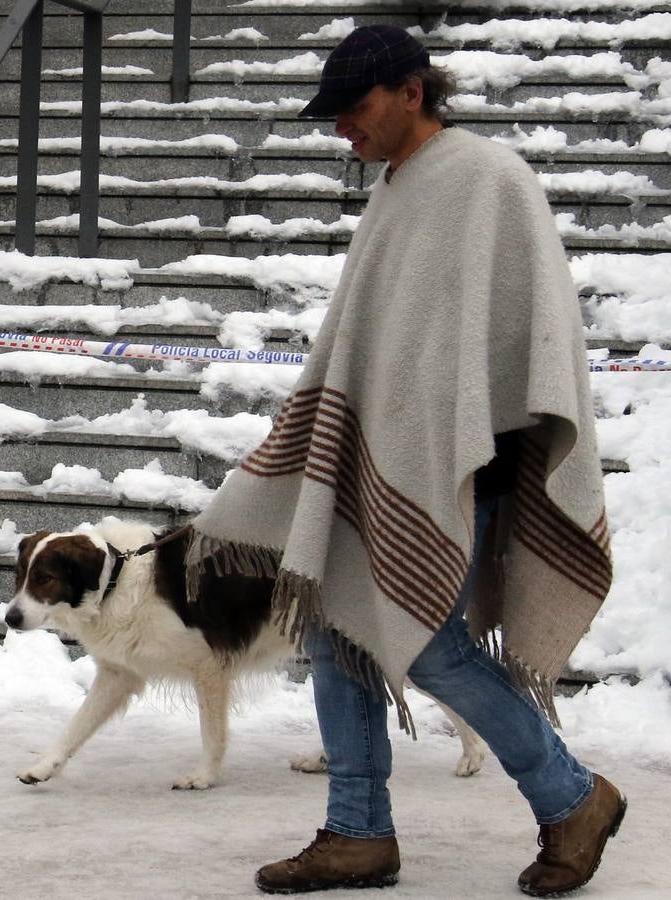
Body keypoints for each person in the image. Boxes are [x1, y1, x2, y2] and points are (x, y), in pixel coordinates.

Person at [184, 24, 626, 897]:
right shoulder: (395, 189)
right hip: (389, 459)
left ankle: (574, 798)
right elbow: (376, 345)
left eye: (353, 108)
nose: (340, 128)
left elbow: (528, 336)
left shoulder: (489, 179)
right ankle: (356, 831)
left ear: (411, 92)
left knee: (429, 649)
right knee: (340, 624)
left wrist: (472, 449)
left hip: (472, 464)